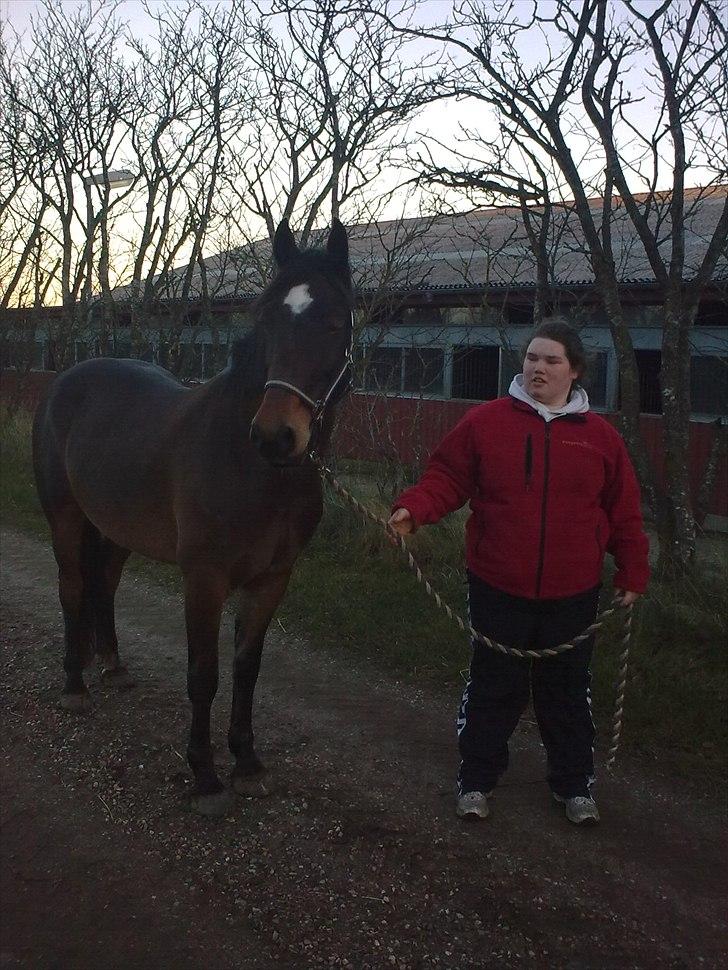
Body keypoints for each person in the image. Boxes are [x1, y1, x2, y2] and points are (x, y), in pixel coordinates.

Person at [388, 319, 649, 826]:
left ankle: (574, 786)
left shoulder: (601, 439)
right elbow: (446, 477)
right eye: (532, 358)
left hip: (573, 593)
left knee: (566, 692)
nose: (538, 368)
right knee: (494, 686)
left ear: (575, 370)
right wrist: (413, 510)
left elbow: (623, 513)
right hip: (497, 585)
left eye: (551, 360)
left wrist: (633, 571)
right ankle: (476, 781)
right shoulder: (486, 423)